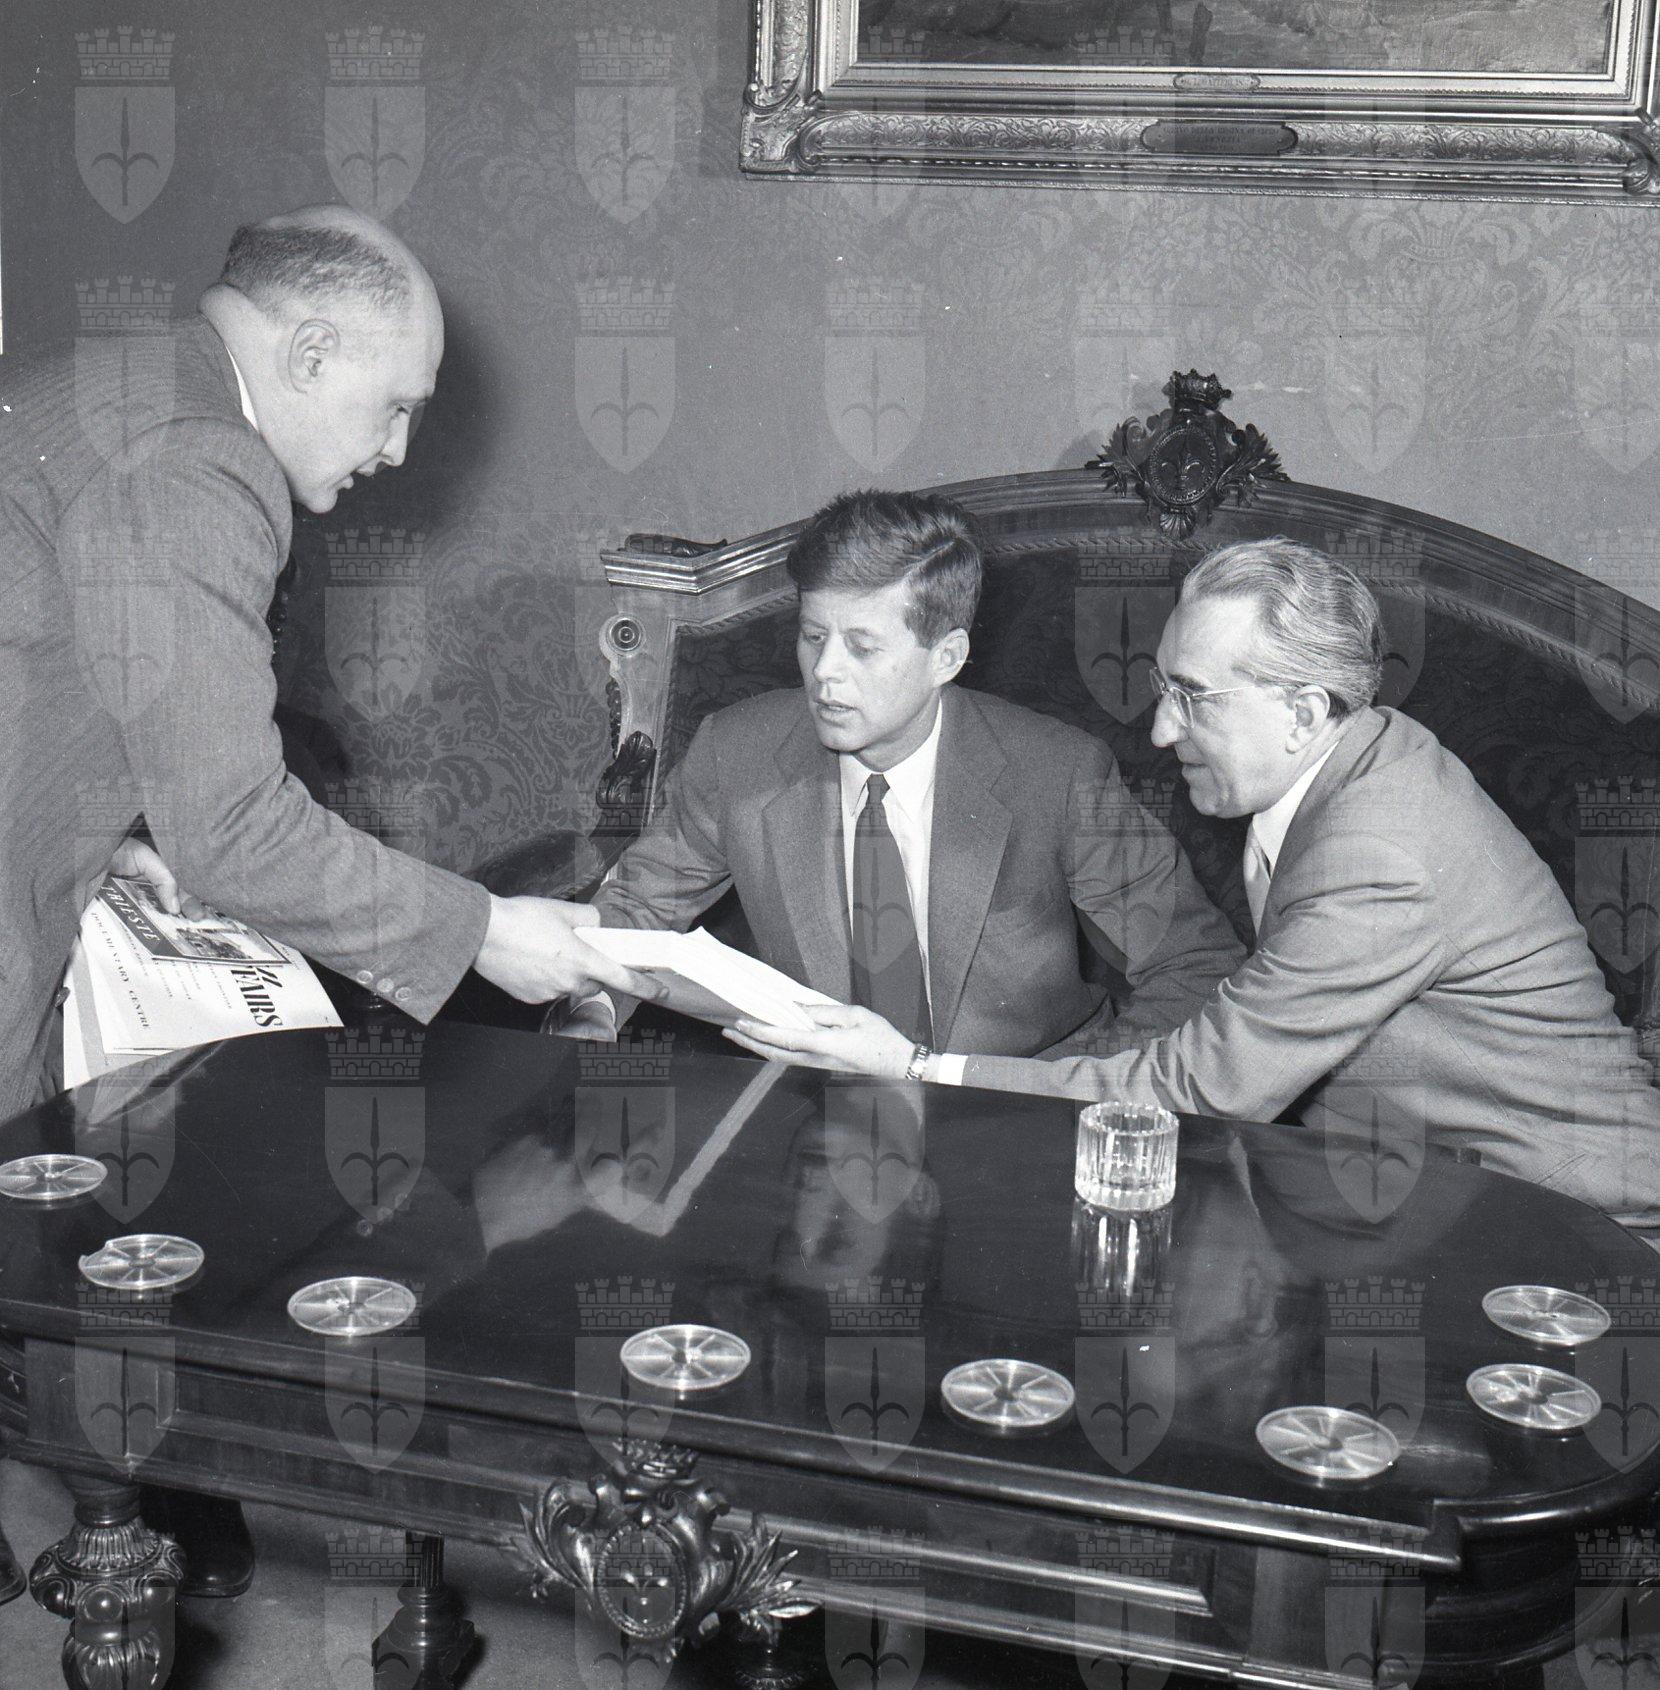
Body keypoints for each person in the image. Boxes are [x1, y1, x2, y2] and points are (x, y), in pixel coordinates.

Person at [0, 206, 658, 1597]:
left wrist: (105, 835)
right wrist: (490, 928)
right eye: (395, 404)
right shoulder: (201, 455)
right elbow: (239, 826)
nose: (398, 450)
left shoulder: (113, 379)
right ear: (307, 351)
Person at [729, 538, 1660, 1236]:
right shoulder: (1342, 768)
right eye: (1163, 688)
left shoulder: (1381, 850)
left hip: (1578, 1228)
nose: (1163, 732)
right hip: (1430, 1195)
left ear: (1303, 712)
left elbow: (1201, 1086)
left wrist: (915, 1070)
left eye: (1194, 698)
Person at [564, 489, 1243, 1062]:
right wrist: (588, 1017)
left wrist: (1078, 1093)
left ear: (947, 656)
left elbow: (1195, 967)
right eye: (813, 636)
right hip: (816, 1108)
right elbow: (635, 914)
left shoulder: (1060, 775)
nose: (825, 672)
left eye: (862, 647)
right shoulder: (736, 754)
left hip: (1015, 1107)